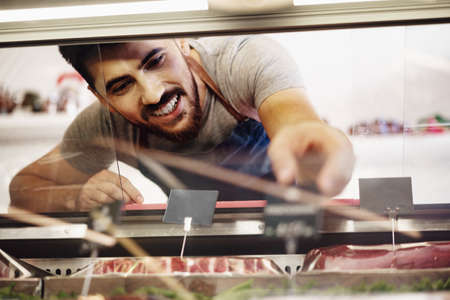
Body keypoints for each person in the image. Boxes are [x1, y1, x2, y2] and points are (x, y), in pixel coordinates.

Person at [9, 35, 355, 212]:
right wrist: (75, 196)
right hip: (196, 243)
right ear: (102, 99)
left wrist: (319, 147)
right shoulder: (103, 125)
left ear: (181, 40)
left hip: (289, 231)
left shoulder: (243, 61)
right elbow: (23, 188)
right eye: (121, 86)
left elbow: (294, 119)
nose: (153, 93)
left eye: (156, 61)